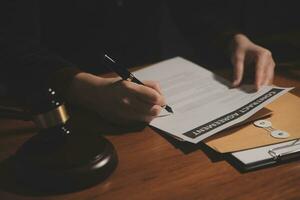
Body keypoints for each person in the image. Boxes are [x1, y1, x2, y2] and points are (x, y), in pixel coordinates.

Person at [0, 1, 275, 124]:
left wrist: (232, 39)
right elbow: (13, 44)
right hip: (59, 103)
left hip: (149, 86)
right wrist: (88, 90)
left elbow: (193, 10)